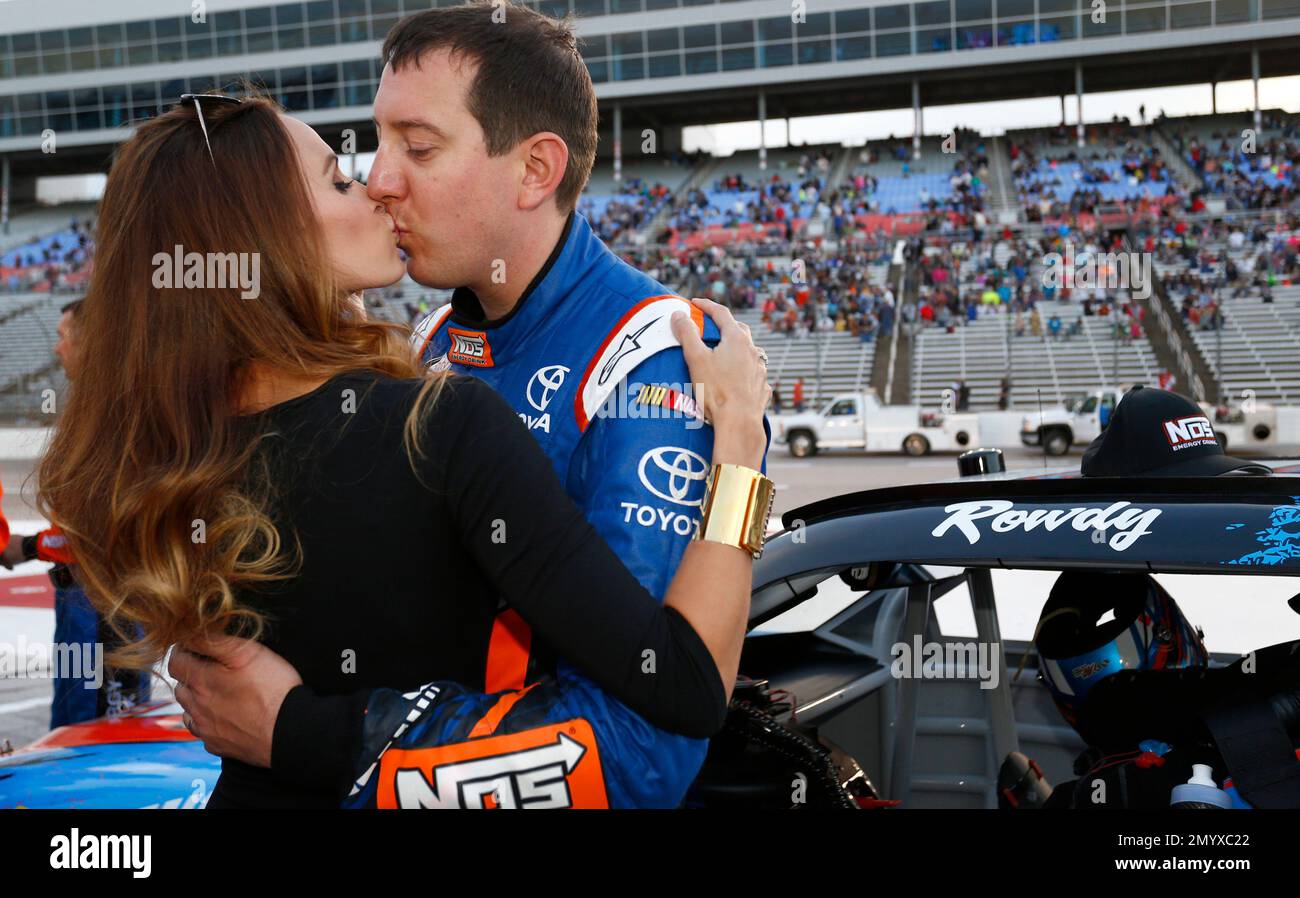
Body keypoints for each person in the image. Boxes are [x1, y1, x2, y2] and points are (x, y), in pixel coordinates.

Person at [38, 85, 771, 809]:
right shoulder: (440, 422)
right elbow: (684, 686)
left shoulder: (158, 445)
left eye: (414, 149)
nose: (379, 188)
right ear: (272, 234)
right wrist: (739, 443)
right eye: (341, 179)